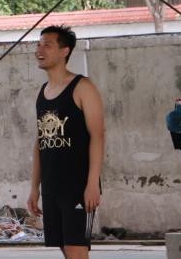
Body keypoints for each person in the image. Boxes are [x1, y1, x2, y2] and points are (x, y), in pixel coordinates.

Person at [27, 25, 105, 258]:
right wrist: (34, 188)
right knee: (65, 248)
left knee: (75, 248)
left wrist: (92, 184)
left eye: (47, 45)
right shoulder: (43, 91)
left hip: (77, 185)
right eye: (38, 44)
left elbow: (98, 136)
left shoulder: (83, 87)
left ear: (65, 51)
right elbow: (40, 142)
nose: (39, 50)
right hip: (51, 186)